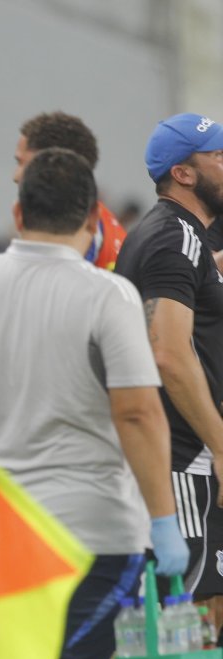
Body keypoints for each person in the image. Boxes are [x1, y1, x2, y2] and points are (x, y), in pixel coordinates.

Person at [0, 147, 189, 659]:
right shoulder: (108, 296)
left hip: (1, 530)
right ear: (91, 219)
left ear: (17, 214)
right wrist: (164, 521)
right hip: (92, 531)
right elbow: (138, 414)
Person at [114, 113, 223, 603]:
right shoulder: (173, 237)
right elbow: (169, 353)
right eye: (219, 157)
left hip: (191, 456)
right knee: (186, 621)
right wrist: (221, 447)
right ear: (184, 173)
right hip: (185, 457)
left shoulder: (182, 237)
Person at [13, 111, 127, 271]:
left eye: (26, 164)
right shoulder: (42, 226)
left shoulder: (119, 264)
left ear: (62, 168)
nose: (16, 176)